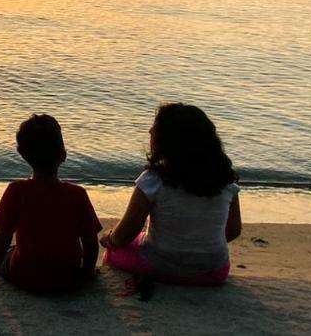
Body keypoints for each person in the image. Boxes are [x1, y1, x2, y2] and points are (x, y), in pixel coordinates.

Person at [100, 103, 241, 286]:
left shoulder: (153, 180)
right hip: (214, 270)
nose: (150, 130)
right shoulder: (226, 180)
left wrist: (109, 238)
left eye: (156, 126)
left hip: (163, 267)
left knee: (113, 252)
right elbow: (232, 231)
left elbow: (126, 233)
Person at [0, 114, 101, 292]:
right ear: (63, 155)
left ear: (22, 155)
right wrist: (86, 275)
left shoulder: (16, 191)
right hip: (68, 278)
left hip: (26, 277)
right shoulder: (78, 194)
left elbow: (1, 239)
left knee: (9, 252)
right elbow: (91, 243)